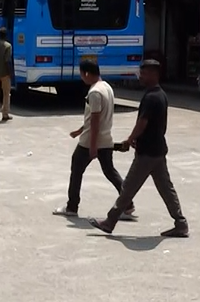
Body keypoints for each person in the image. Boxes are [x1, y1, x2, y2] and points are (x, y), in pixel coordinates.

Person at [89, 60, 189, 238]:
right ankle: (180, 223)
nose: (140, 76)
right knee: (166, 188)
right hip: (158, 150)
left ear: (153, 74)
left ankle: (110, 221)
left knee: (128, 187)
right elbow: (158, 126)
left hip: (147, 153)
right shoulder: (161, 95)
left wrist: (130, 139)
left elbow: (143, 123)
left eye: (144, 73)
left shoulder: (151, 97)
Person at [53, 60, 130, 220]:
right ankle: (128, 204)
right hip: (105, 137)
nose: (82, 78)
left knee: (76, 169)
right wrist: (79, 130)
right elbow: (95, 117)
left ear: (87, 73)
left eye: (81, 74)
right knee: (110, 171)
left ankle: (72, 206)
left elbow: (95, 120)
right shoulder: (106, 87)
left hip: (90, 141)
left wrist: (93, 146)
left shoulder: (94, 92)